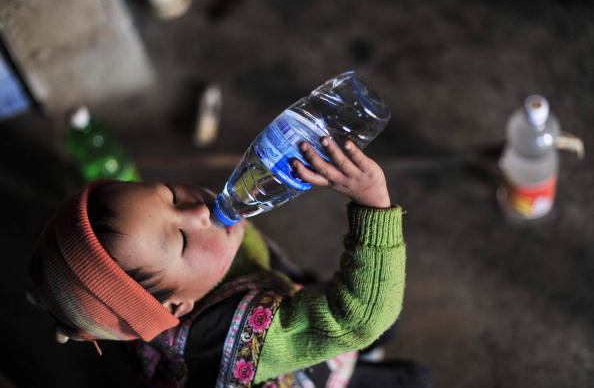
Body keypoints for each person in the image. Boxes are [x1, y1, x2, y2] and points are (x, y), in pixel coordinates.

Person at [27, 136, 415, 387]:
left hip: (272, 295)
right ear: (176, 307)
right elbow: (357, 319)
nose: (198, 211)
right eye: (180, 239)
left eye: (170, 195)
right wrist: (372, 206)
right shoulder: (234, 333)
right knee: (396, 367)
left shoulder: (183, 275)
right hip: (295, 363)